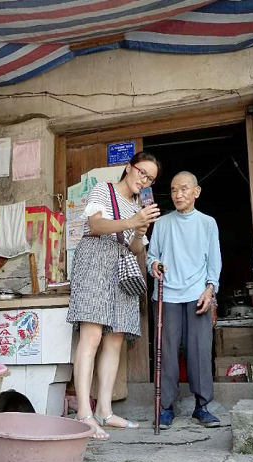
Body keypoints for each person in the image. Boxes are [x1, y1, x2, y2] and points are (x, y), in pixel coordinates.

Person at [67, 151, 161, 440]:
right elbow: (96, 225)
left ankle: (105, 411)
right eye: (142, 173)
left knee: (116, 337)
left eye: (151, 179)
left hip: (122, 265)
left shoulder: (138, 206)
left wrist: (139, 230)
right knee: (92, 335)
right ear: (129, 167)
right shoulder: (103, 189)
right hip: (94, 261)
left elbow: (136, 249)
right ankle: (84, 412)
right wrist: (132, 222)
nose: (144, 181)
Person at [147, 171, 221, 429]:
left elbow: (214, 260)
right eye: (173, 190)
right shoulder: (162, 223)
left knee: (199, 350)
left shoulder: (207, 223)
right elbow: (152, 256)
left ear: (196, 192)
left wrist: (210, 290)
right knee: (166, 352)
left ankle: (202, 407)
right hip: (167, 295)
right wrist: (154, 264)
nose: (178, 195)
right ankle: (165, 407)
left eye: (184, 189)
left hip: (198, 294)